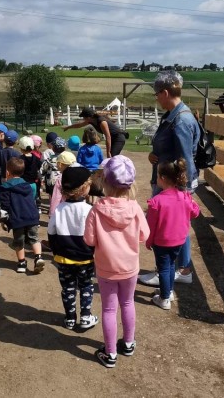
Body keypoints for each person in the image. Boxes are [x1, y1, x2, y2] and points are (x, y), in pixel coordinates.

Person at [83, 155, 149, 368]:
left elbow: (89, 240)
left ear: (104, 181)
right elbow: (144, 235)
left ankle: (110, 353)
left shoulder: (96, 210)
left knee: (109, 309)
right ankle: (128, 343)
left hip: (106, 269)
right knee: (128, 303)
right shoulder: (135, 207)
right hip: (130, 267)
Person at [139, 70, 201, 287]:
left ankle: (171, 270)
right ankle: (178, 269)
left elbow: (185, 158)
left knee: (170, 228)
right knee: (178, 226)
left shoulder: (181, 120)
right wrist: (155, 155)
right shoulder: (174, 115)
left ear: (165, 92)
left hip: (172, 185)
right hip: (169, 181)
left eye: (157, 94)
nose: (156, 98)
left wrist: (181, 190)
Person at [48, 166, 97, 330]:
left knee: (68, 287)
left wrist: (56, 251)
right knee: (86, 286)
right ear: (84, 189)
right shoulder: (89, 210)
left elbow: (51, 233)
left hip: (63, 258)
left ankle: (69, 318)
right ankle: (85, 316)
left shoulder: (59, 210)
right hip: (86, 257)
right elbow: (95, 235)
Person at [145, 159, 200, 310]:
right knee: (170, 266)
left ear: (162, 178)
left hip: (161, 242)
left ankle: (164, 299)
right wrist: (189, 198)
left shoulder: (156, 201)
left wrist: (148, 241)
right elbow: (195, 213)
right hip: (179, 241)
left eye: (157, 176)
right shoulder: (184, 196)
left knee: (164, 268)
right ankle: (168, 291)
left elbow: (151, 226)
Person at [0, 157, 45, 274]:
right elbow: (32, 200)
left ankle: (22, 263)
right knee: (34, 238)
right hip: (32, 217)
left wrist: (4, 220)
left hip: (17, 219)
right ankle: (38, 257)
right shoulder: (29, 185)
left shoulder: (6, 187)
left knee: (19, 241)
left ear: (7, 172)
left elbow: (5, 206)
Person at [64, 108, 128, 157]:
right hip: (113, 138)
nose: (83, 118)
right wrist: (68, 127)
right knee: (112, 157)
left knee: (112, 156)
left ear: (88, 117)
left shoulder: (102, 122)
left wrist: (108, 152)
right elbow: (79, 125)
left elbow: (108, 136)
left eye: (84, 117)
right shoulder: (91, 121)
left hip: (118, 138)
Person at [48, 150, 77, 216]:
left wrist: (52, 213)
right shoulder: (78, 176)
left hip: (63, 209)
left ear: (60, 164)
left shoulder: (60, 178)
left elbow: (56, 197)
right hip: (76, 208)